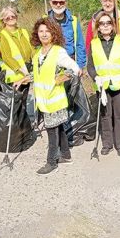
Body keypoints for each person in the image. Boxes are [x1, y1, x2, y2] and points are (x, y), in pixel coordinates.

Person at [30, 17, 81, 175]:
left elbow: (75, 69)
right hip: (45, 101)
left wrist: (64, 77)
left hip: (55, 100)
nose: (44, 34)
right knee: (58, 129)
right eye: (41, 31)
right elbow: (40, 74)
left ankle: (51, 162)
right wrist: (26, 78)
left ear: (54, 34)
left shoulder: (58, 52)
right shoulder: (39, 53)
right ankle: (66, 155)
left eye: (48, 31)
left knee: (52, 132)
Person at [87, 11, 120, 156]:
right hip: (103, 87)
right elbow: (90, 66)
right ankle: (107, 144)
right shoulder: (93, 44)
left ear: (113, 26)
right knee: (105, 116)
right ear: (98, 27)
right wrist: (95, 77)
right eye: (102, 23)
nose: (105, 26)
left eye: (108, 23)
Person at [46, 0, 86, 69]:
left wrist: (80, 66)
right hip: (51, 64)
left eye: (61, 2)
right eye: (55, 2)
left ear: (66, 3)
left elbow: (80, 45)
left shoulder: (73, 21)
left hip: (70, 63)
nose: (58, 5)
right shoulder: (45, 20)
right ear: (50, 3)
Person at [0, 6, 34, 87]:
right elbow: (7, 57)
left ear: (16, 17)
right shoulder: (2, 35)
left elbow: (32, 49)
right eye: (7, 18)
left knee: (25, 99)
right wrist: (22, 70)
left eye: (13, 16)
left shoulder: (24, 31)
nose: (10, 18)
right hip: (14, 76)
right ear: (3, 20)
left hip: (27, 72)